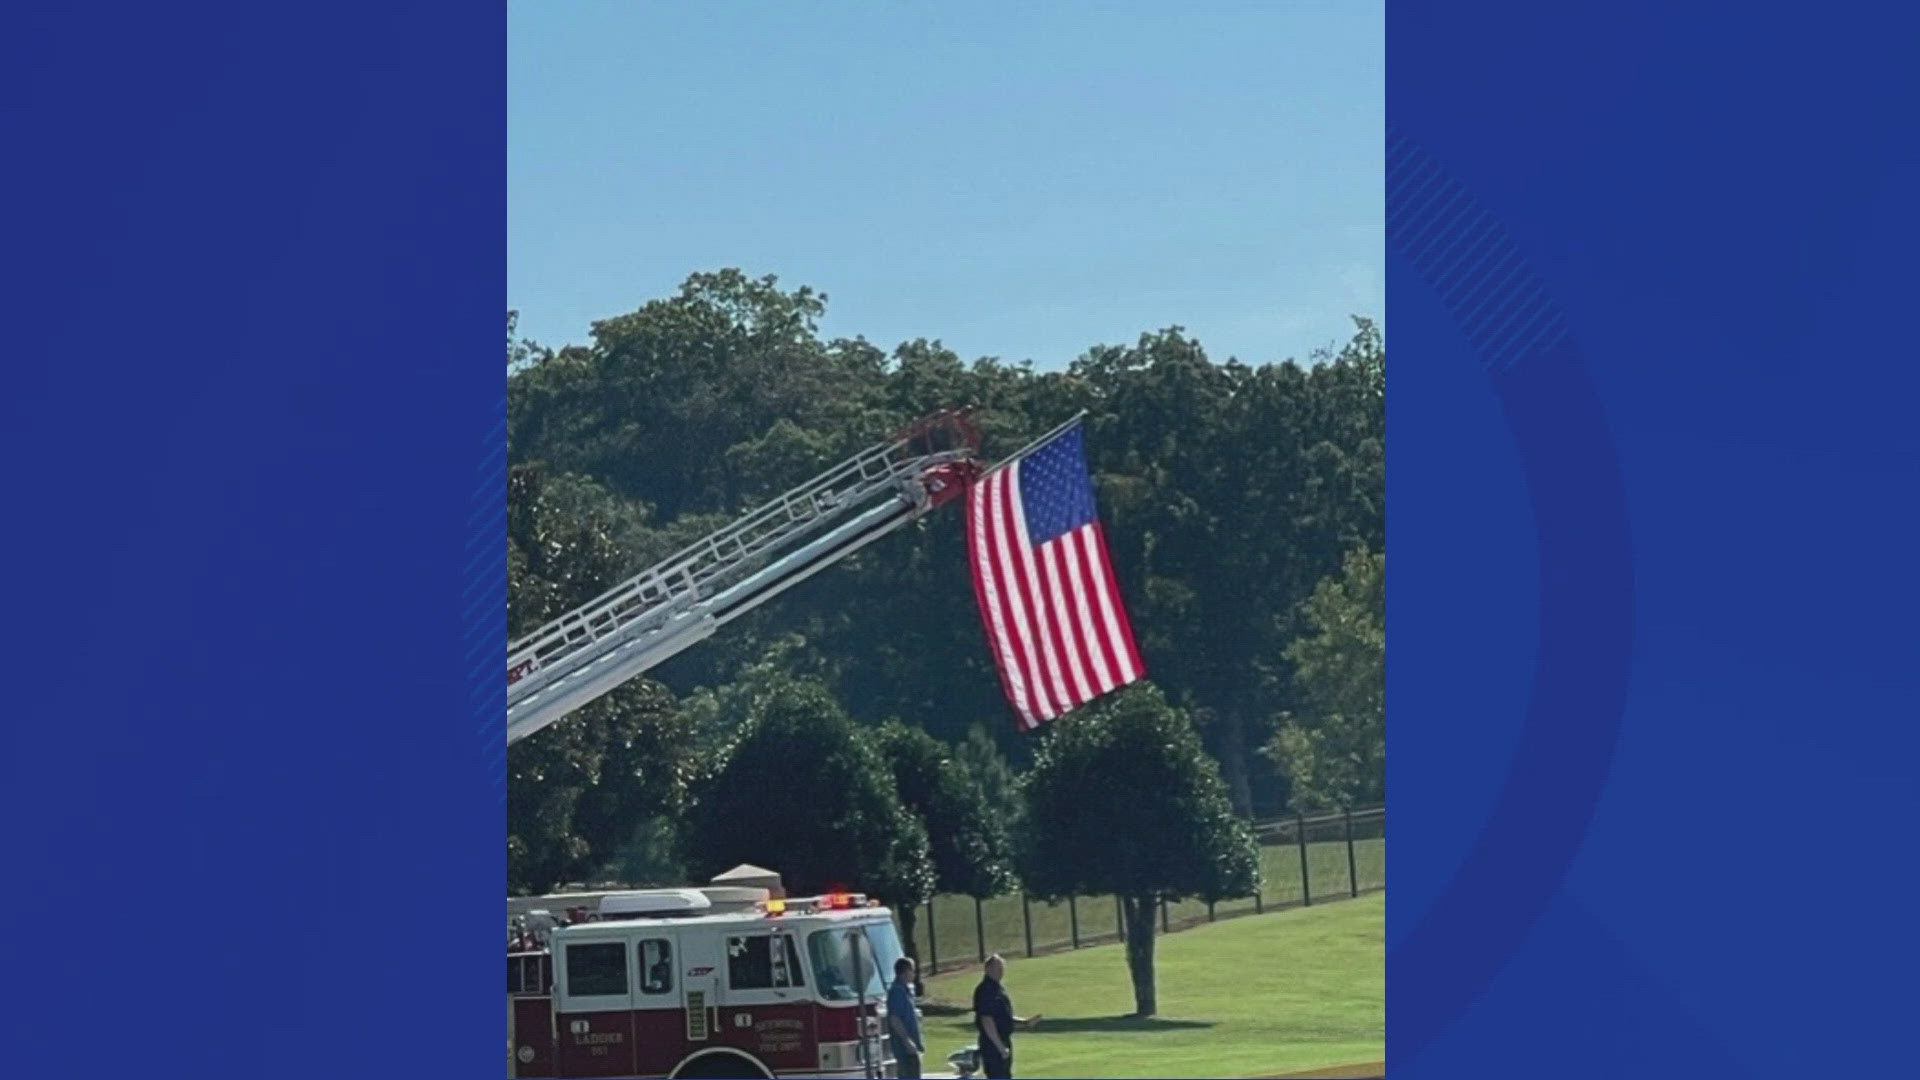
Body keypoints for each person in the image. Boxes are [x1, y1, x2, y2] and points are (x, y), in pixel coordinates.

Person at [971, 954, 1040, 1079]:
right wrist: (1000, 1047)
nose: (1000, 973)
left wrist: (1025, 1023)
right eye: (997, 969)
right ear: (987, 969)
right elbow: (987, 1020)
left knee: (1005, 1075)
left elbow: (1004, 1017)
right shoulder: (985, 990)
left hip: (1003, 1040)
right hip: (992, 1044)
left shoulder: (998, 989)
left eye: (1002, 969)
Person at [886, 957, 925, 1079]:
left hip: (911, 1045)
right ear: (906, 971)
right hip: (904, 1048)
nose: (914, 974)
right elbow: (895, 1019)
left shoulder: (906, 990)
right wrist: (907, 1041)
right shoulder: (897, 991)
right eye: (913, 970)